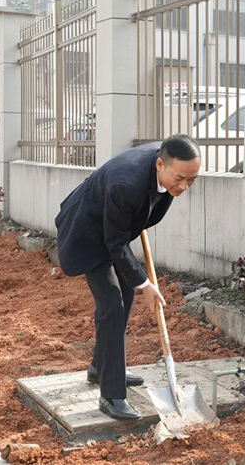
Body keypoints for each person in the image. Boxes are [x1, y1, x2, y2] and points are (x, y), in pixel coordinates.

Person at [55, 135, 201, 420]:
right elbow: (115, 243)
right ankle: (112, 395)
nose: (184, 186)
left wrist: (138, 281)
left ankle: (101, 367)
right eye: (180, 179)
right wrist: (145, 283)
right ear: (160, 165)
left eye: (192, 180)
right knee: (112, 304)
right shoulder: (127, 185)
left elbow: (131, 224)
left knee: (126, 293)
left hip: (113, 228)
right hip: (87, 232)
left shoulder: (166, 164)